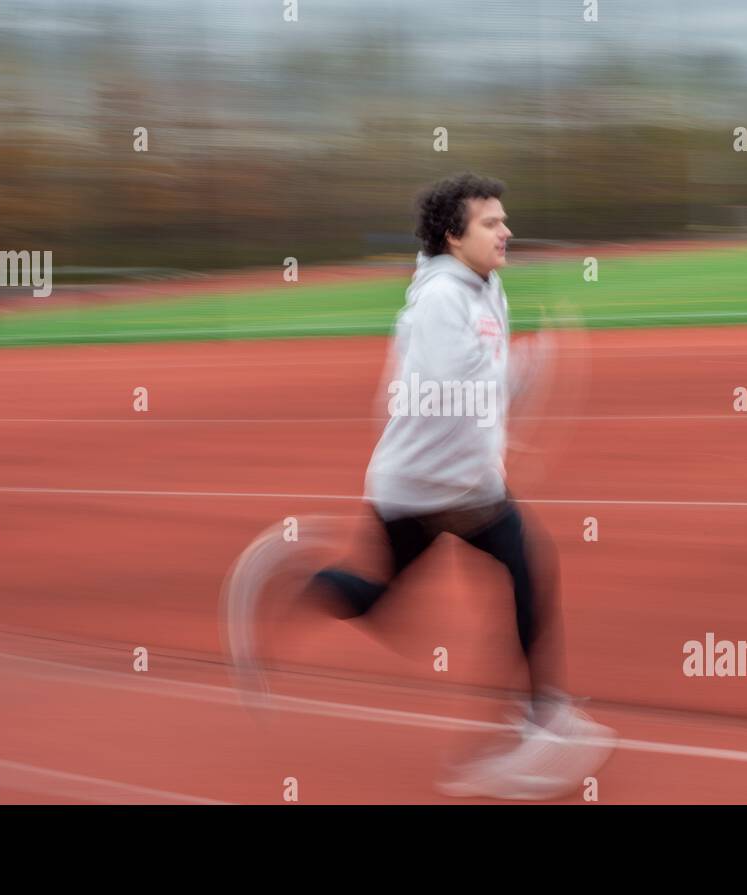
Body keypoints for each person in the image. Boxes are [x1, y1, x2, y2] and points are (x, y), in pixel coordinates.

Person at [229, 172, 615, 800]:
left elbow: (480, 384)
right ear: (452, 235)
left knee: (385, 602)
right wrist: (522, 374)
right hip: (431, 485)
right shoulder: (440, 297)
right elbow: (447, 385)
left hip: (454, 482)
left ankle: (290, 578)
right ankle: (539, 718)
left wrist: (529, 368)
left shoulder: (487, 290)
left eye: (502, 219)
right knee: (523, 570)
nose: (505, 230)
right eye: (490, 221)